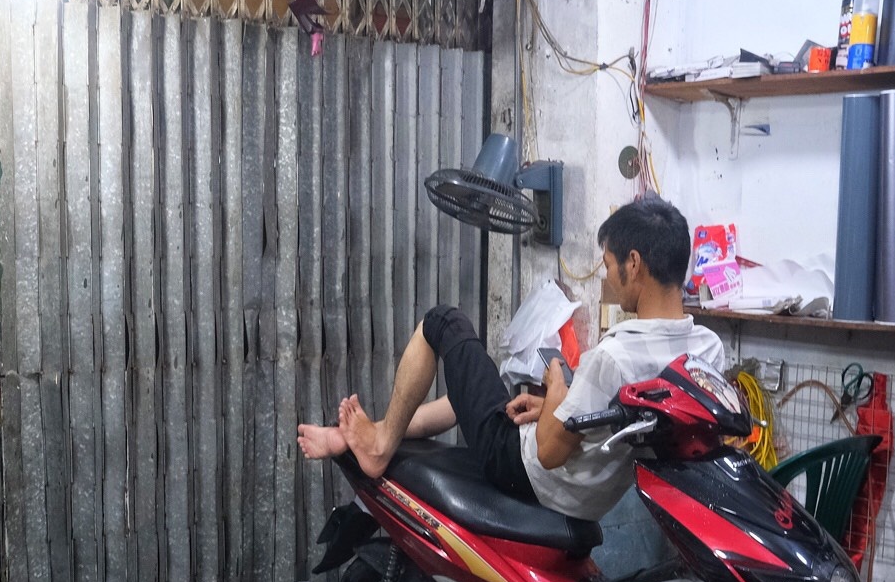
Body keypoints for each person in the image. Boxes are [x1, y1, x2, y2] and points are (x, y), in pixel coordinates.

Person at [298, 195, 725, 522]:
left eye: (609, 265)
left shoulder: (614, 356)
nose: (607, 277)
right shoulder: (707, 349)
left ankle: (377, 444)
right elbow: (638, 420)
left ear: (634, 264)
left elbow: (549, 452)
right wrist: (554, 408)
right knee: (489, 396)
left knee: (443, 322)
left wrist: (556, 385)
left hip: (531, 474)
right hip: (592, 494)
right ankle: (364, 433)